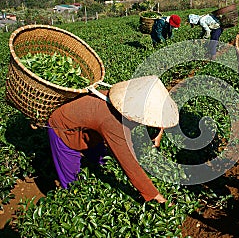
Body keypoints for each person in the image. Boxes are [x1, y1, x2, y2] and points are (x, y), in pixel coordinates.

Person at [47, 75, 179, 204]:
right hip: (63, 130)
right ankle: (69, 201)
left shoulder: (123, 101)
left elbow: (154, 113)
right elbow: (129, 164)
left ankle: (94, 162)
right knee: (72, 182)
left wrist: (158, 133)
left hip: (89, 129)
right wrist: (155, 195)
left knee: (102, 161)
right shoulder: (114, 124)